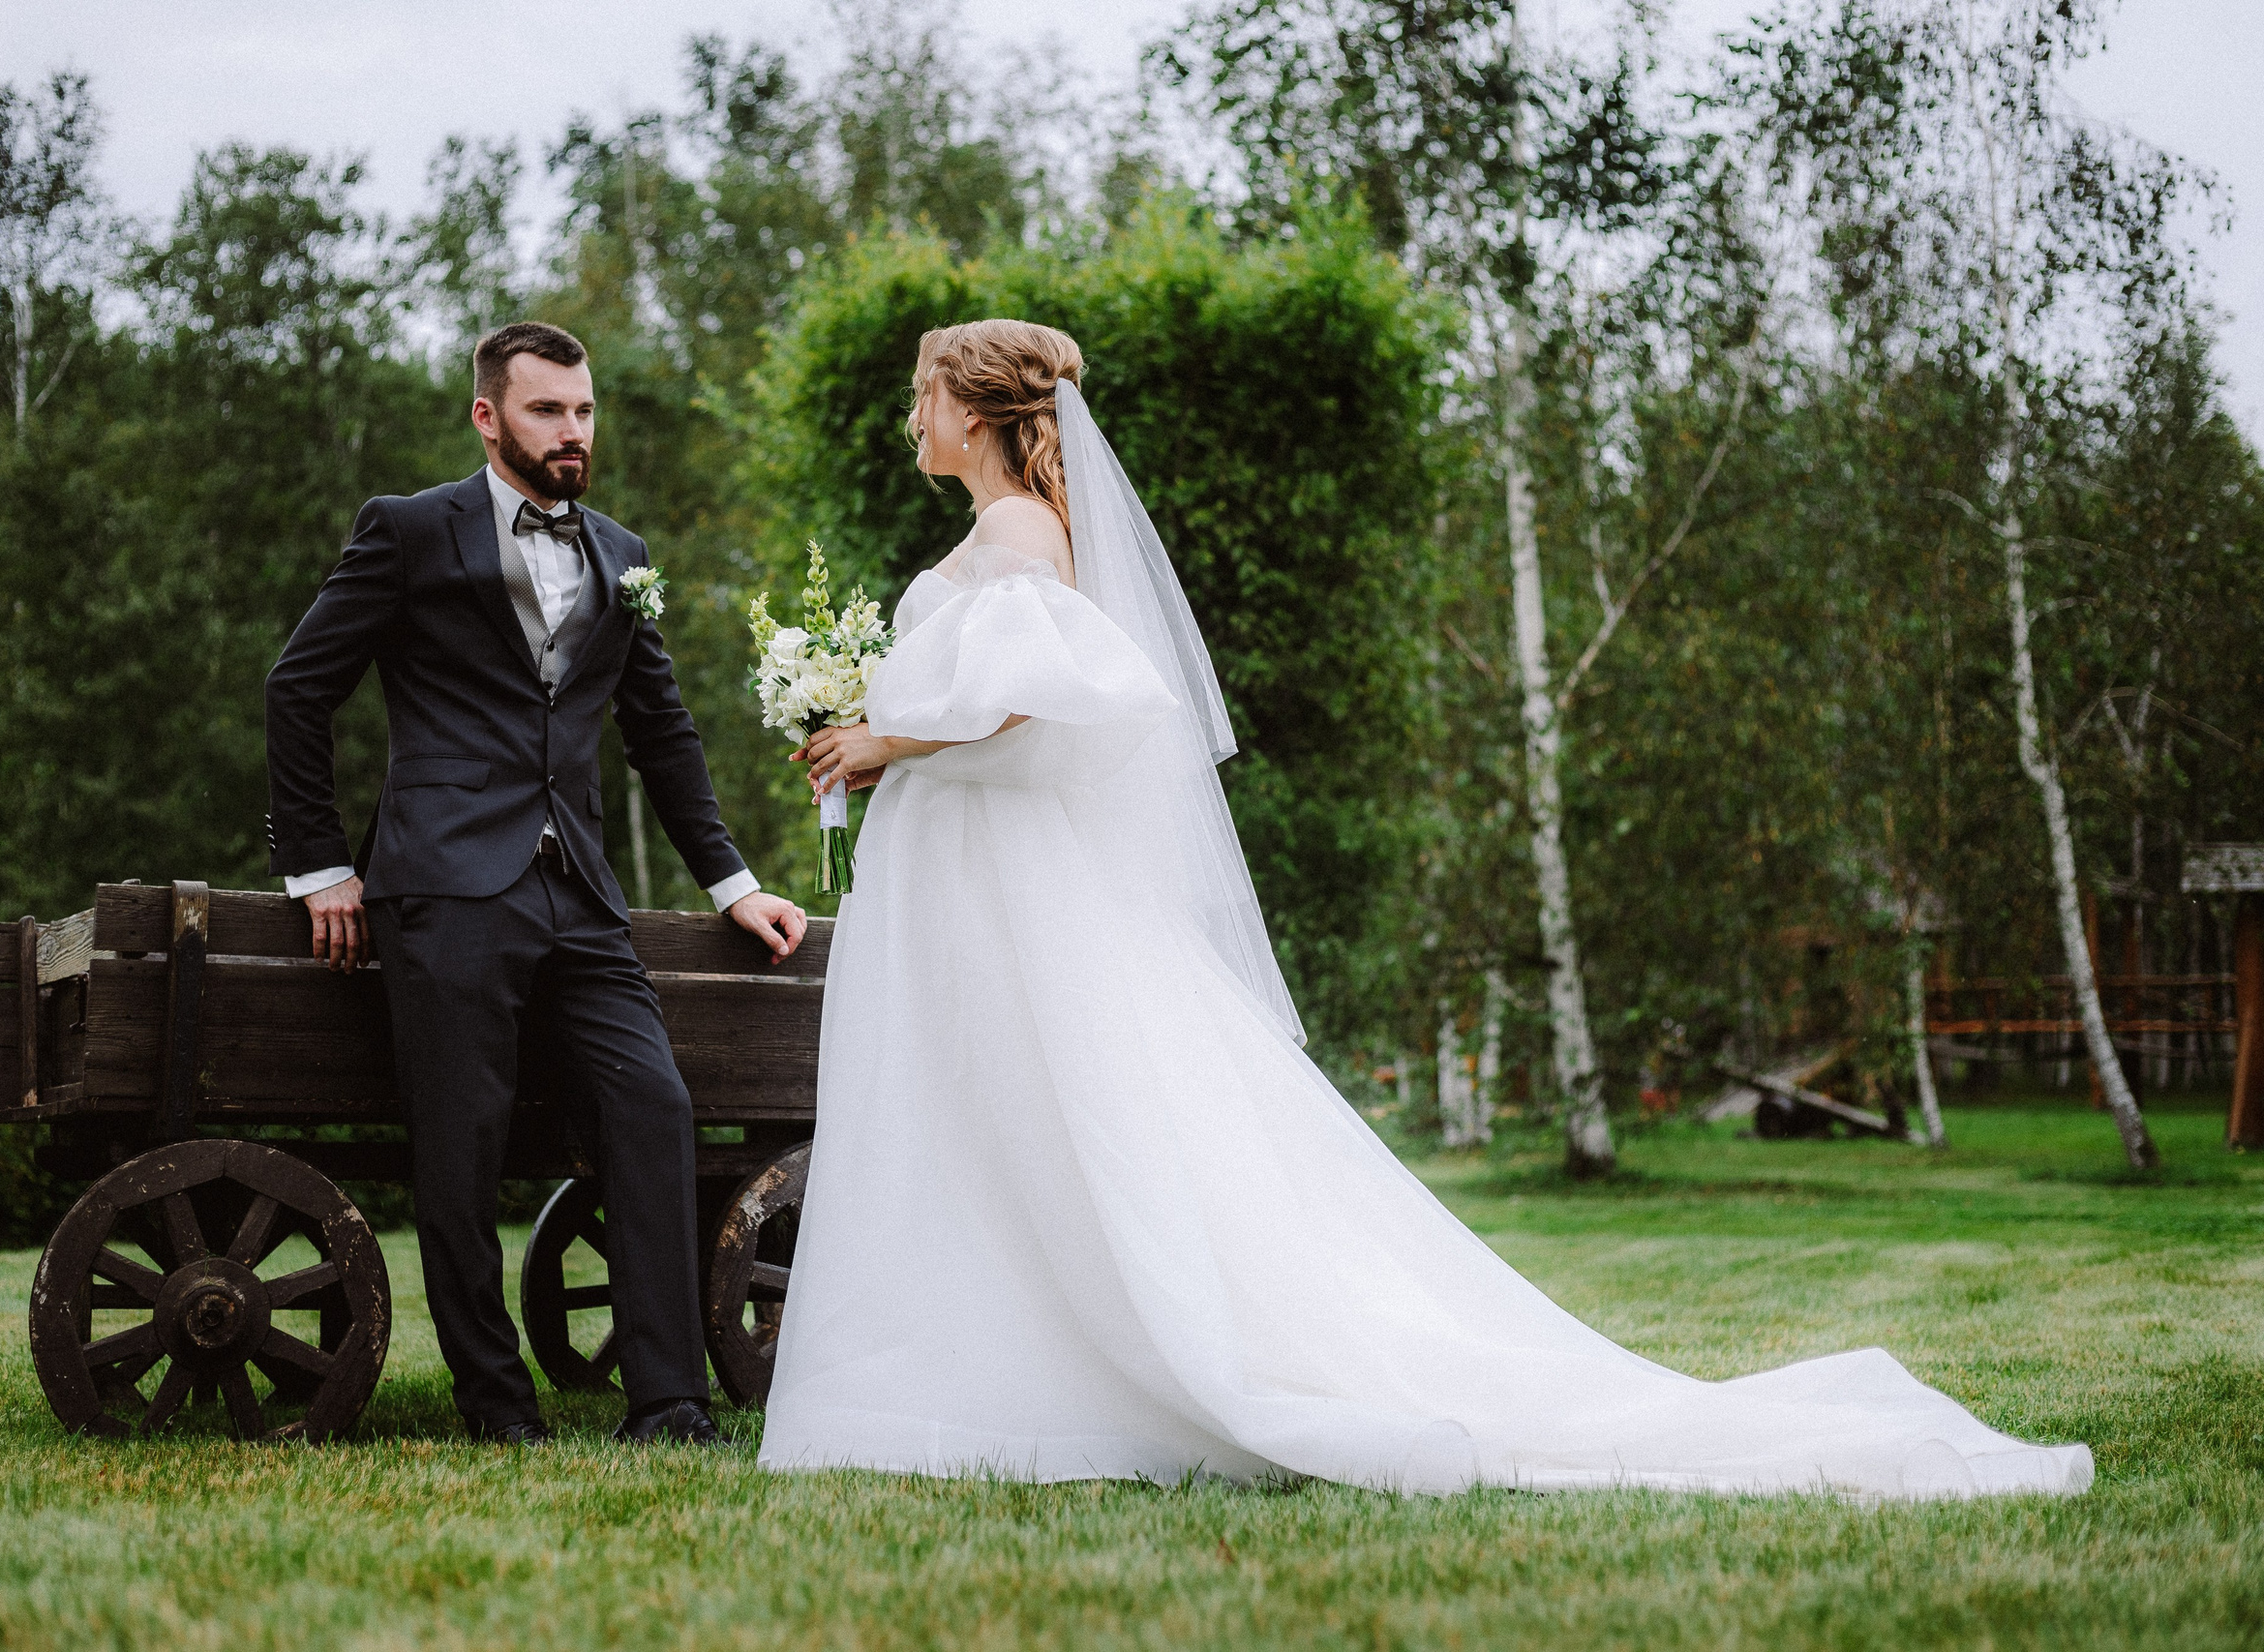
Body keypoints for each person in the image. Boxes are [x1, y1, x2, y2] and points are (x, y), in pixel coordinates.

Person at [760, 319, 2092, 1499]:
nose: (914, 418)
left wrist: (887, 739)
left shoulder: (1017, 534)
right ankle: (986, 1366)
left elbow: (1032, 696)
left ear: (979, 412)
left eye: (927, 396)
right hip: (971, 868)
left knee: (1048, 1117)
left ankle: (1068, 1372)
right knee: (990, 1122)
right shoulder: (995, 535)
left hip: (998, 873)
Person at [264, 320, 806, 1448]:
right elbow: (297, 688)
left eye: (585, 411)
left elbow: (661, 732)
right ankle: (497, 1406)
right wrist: (322, 869)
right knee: (459, 1149)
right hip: (444, 888)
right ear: (488, 416)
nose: (573, 432)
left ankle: (666, 1402)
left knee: (651, 1108)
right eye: (549, 411)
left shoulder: (622, 550)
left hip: (581, 896)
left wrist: (732, 883)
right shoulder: (409, 532)